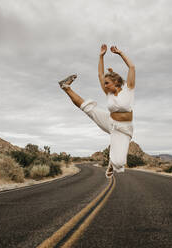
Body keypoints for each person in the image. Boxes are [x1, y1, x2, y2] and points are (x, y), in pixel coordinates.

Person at [58, 44, 135, 178]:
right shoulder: (109, 94)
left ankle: (112, 162)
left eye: (107, 83)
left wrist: (120, 53)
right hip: (110, 121)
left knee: (119, 162)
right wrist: (101, 56)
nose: (104, 86)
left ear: (116, 82)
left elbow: (132, 67)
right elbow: (100, 74)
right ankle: (66, 87)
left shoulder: (129, 89)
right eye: (104, 83)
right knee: (88, 108)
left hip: (123, 128)